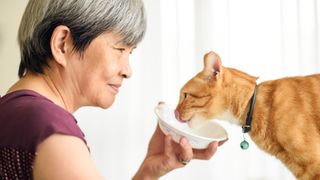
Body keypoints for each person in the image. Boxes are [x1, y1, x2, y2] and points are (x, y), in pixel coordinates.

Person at [0, 0, 225, 179]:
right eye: (119, 48)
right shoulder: (50, 128)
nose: (128, 70)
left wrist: (148, 173)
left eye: (131, 52)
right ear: (62, 43)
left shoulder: (13, 112)